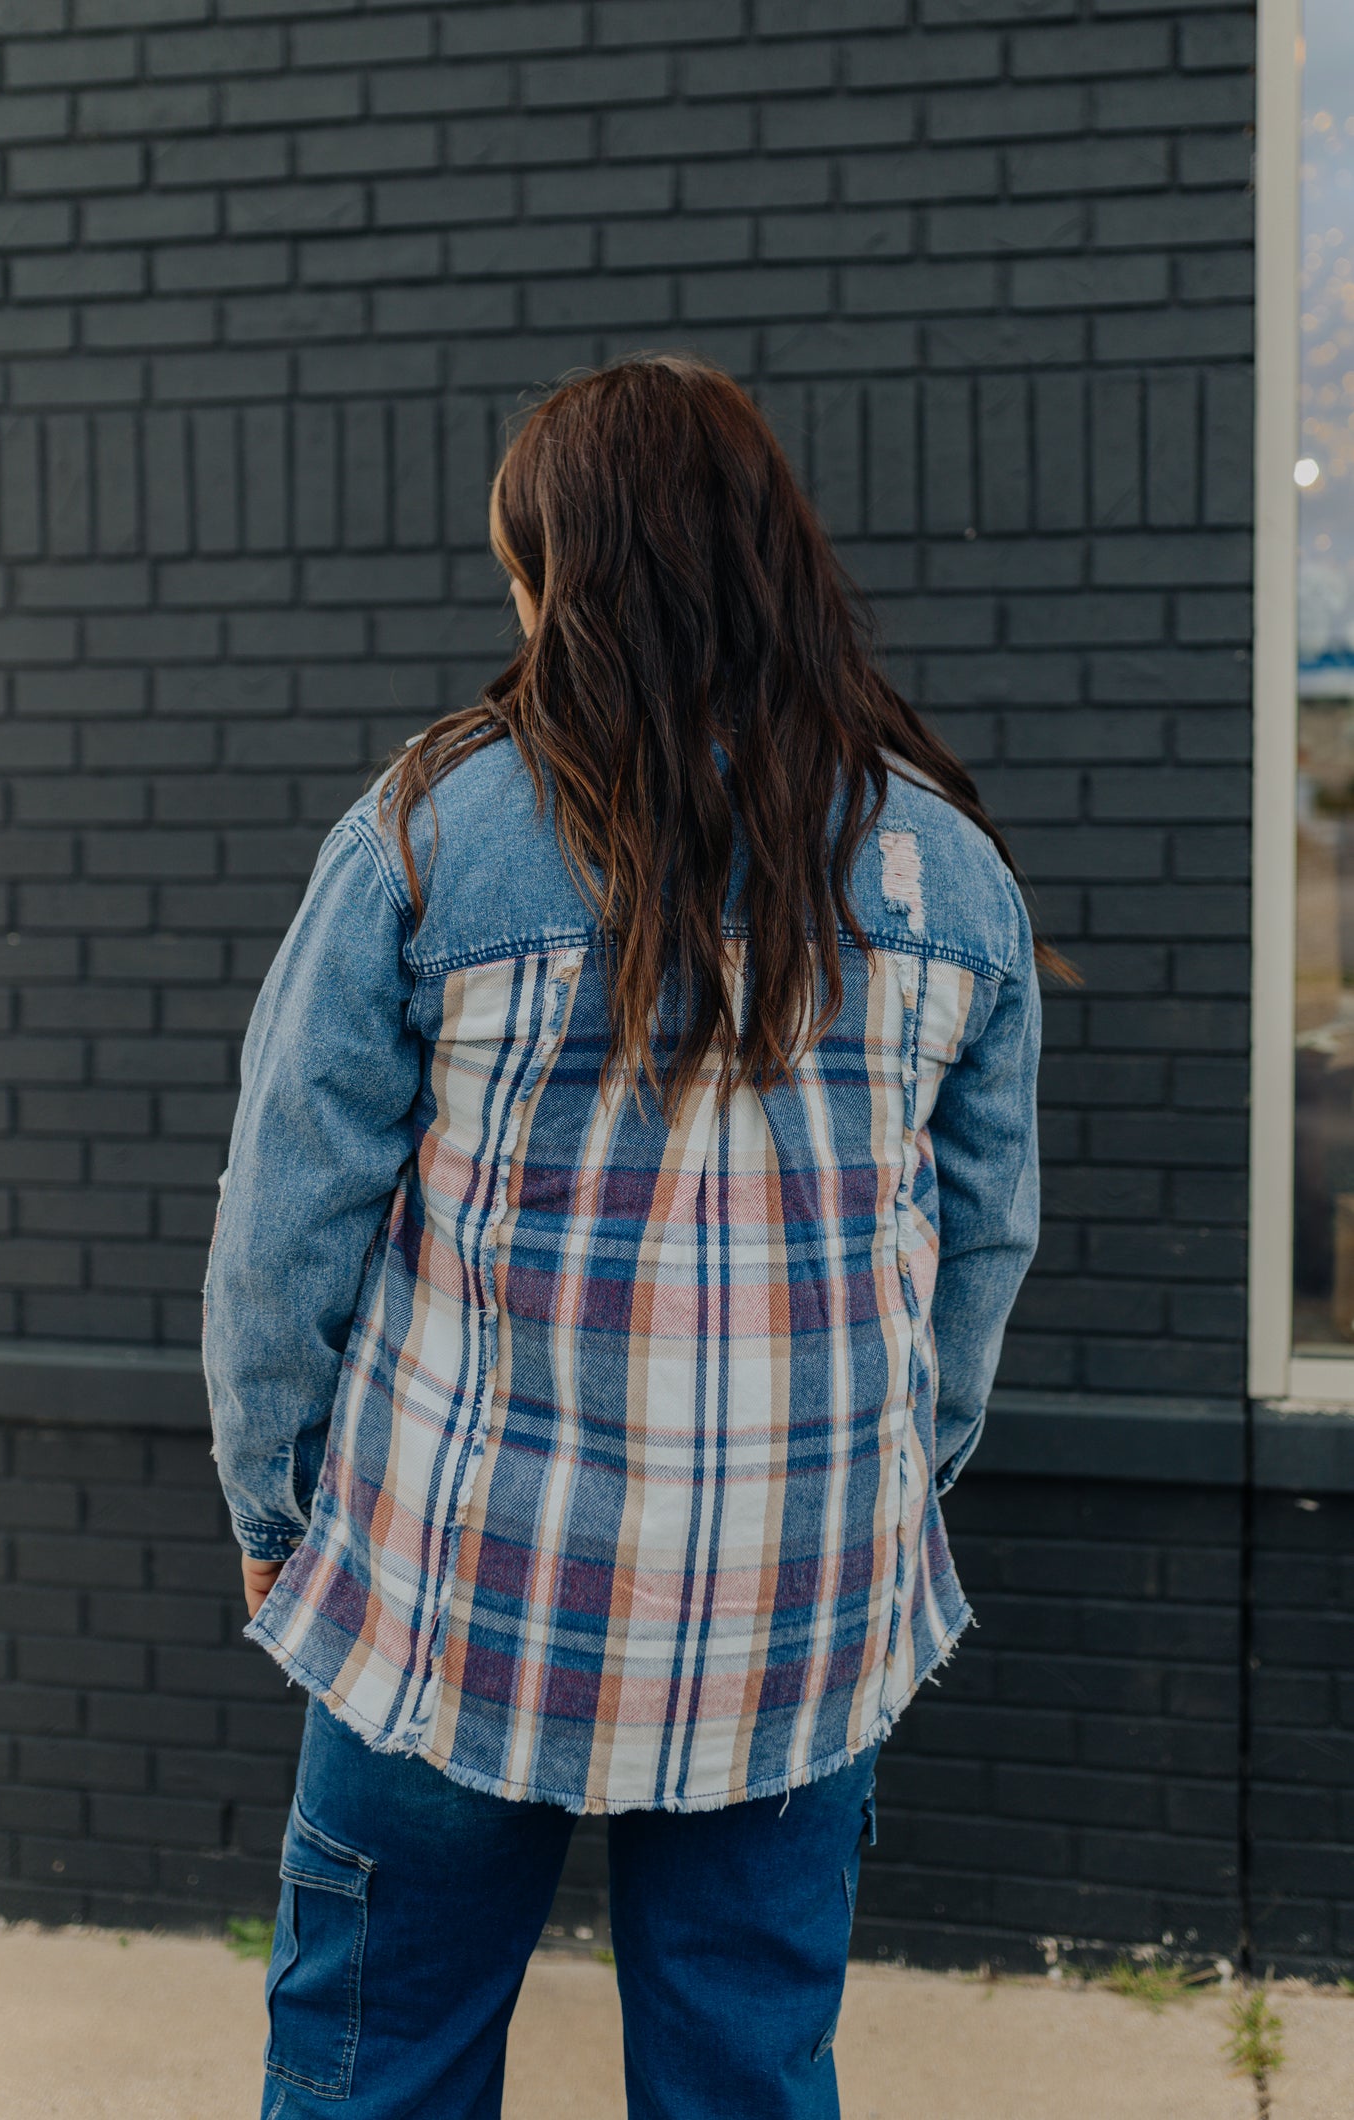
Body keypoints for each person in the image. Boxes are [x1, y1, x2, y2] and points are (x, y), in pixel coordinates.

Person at [203, 353, 1050, 2120]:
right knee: (746, 2070)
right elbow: (974, 1255)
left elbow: (283, 1233)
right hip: (799, 1604)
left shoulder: (431, 840)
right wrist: (891, 1485)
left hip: (454, 1589)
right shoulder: (949, 879)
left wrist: (278, 1519)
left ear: (561, 579)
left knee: (377, 2068)